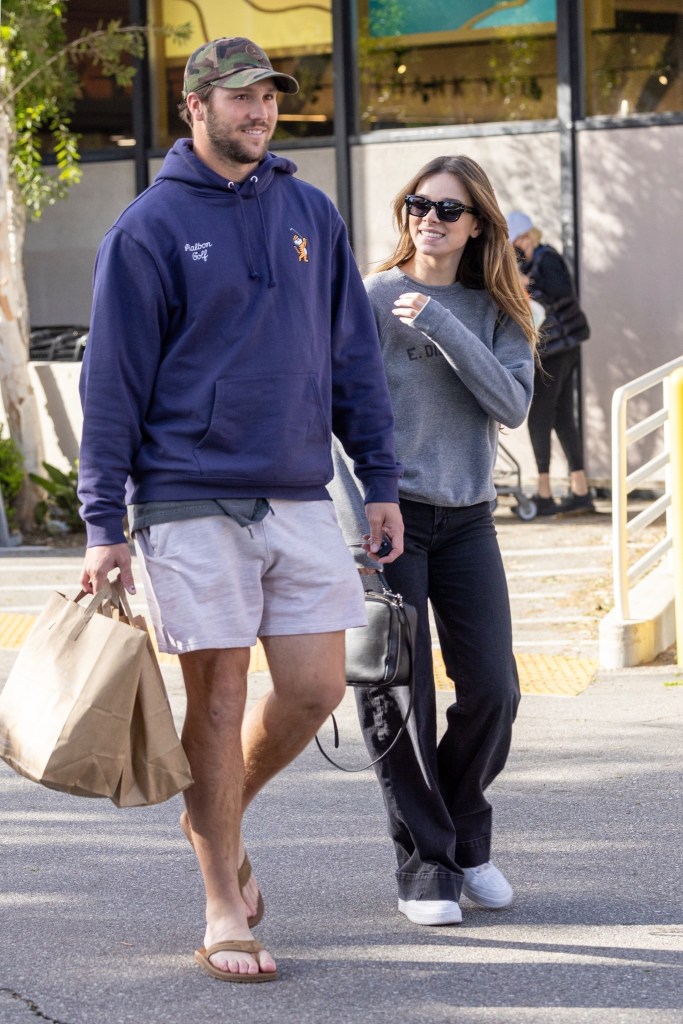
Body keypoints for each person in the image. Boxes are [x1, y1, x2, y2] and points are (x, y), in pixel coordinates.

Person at [77, 37, 404, 982]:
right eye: (241, 99)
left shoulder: (309, 210)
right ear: (195, 107)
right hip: (187, 498)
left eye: (269, 98)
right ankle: (223, 900)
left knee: (314, 689)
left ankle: (214, 816)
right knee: (215, 704)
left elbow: (353, 356)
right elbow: (113, 390)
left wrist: (376, 477)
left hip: (298, 491)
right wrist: (105, 527)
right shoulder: (146, 228)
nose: (260, 113)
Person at [329, 155, 536, 926]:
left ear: (477, 224)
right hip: (392, 518)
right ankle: (424, 865)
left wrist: (441, 319)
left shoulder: (499, 311)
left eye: (448, 210)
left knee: (493, 689)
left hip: (468, 519)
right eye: (418, 204)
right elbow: (331, 412)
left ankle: (461, 838)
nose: (430, 219)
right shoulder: (372, 298)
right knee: (396, 693)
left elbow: (510, 403)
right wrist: (355, 514)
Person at [506, 210, 594, 516]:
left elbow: (562, 294)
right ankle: (580, 490)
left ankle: (544, 495)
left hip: (558, 349)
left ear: (527, 237)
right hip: (559, 347)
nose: (514, 249)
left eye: (515, 241)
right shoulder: (534, 261)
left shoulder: (546, 259)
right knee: (562, 418)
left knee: (540, 417)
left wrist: (527, 284)